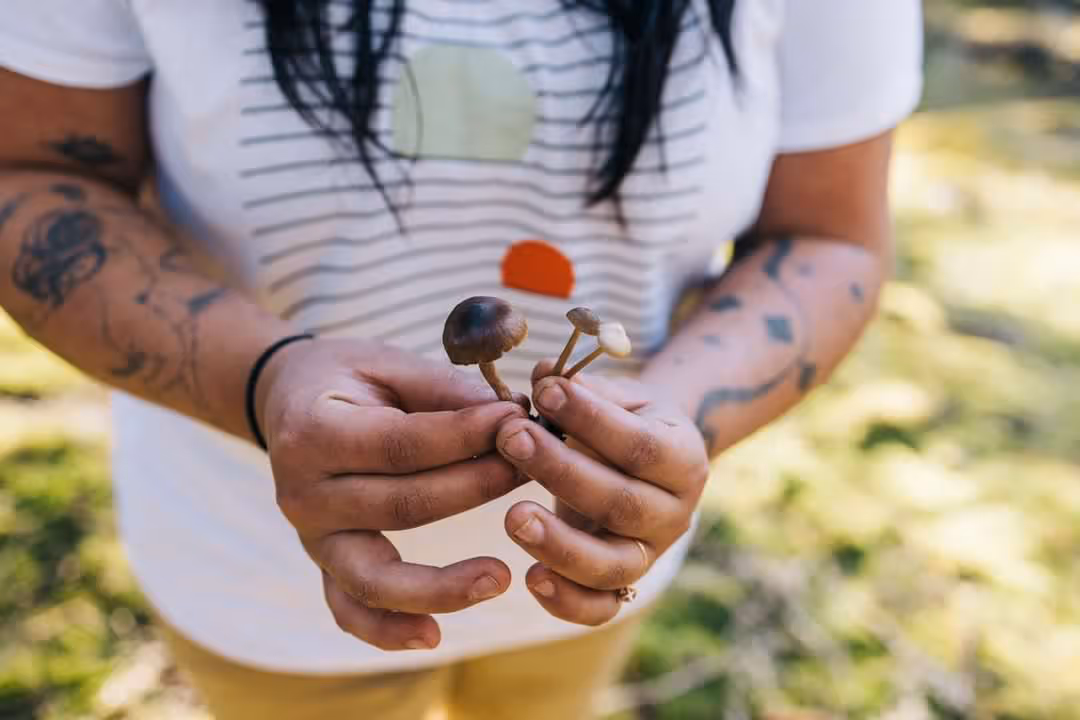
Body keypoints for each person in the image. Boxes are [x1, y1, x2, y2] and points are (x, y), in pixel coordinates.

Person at [0, 1, 923, 718]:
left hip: (592, 582)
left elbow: (827, 233)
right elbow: (33, 172)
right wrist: (261, 380)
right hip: (255, 580)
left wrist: (667, 426)